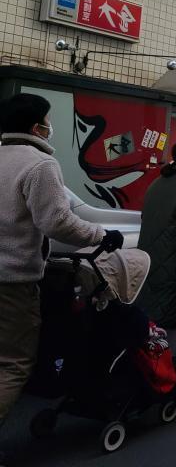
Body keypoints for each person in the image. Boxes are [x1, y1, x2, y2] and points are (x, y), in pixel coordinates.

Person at [0, 93, 121, 427]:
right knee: (12, 364)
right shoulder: (39, 164)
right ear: (37, 126)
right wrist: (102, 235)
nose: (51, 127)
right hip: (13, 281)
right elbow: (57, 222)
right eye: (49, 120)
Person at [136, 140, 176, 328]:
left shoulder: (156, 183)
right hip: (174, 258)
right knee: (170, 309)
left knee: (151, 306)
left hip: (149, 256)